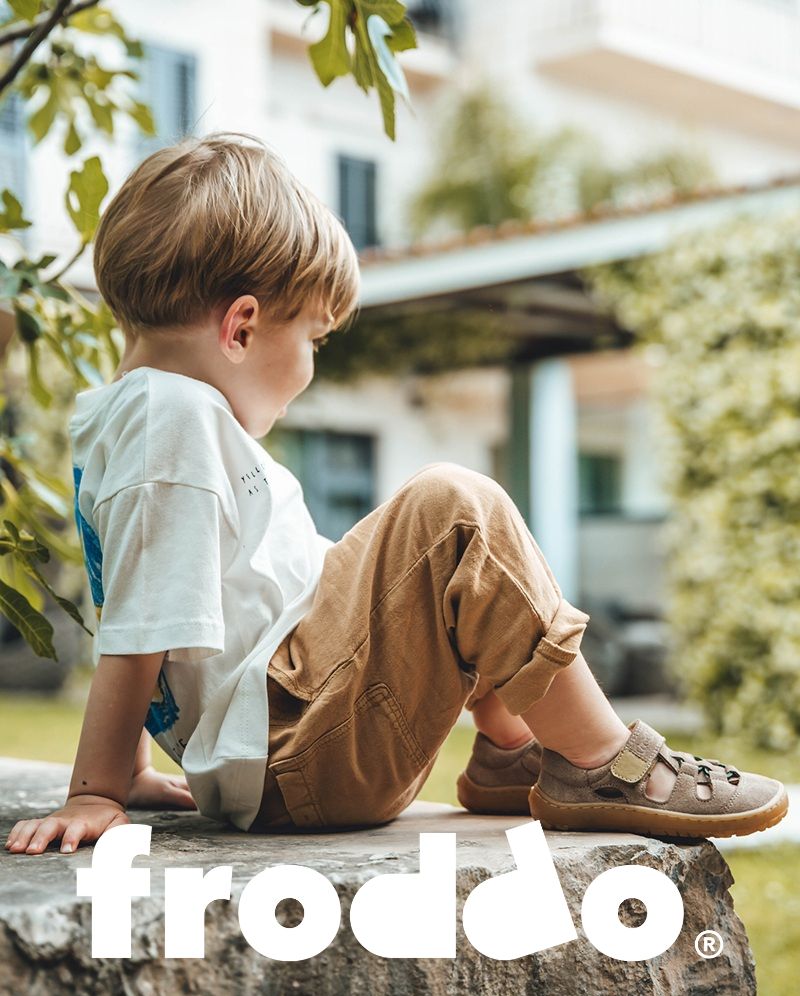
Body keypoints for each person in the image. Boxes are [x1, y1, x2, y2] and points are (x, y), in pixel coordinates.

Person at [4, 132, 788, 855]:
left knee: (439, 562)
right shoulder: (169, 415)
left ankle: (512, 754)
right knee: (454, 511)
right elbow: (144, 622)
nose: (310, 367)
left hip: (293, 739)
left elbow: (156, 599)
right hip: (295, 749)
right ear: (240, 328)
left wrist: (135, 771)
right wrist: (99, 788)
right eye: (311, 339)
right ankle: (603, 764)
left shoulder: (139, 417)